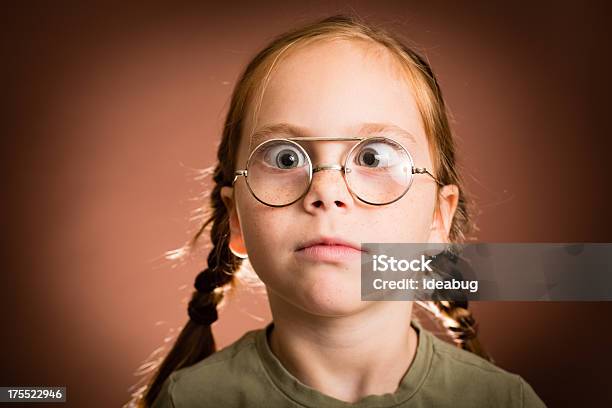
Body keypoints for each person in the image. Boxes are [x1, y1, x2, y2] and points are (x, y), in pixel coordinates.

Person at [133, 14, 547, 408]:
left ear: (438, 219)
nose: (327, 192)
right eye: (284, 158)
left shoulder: (504, 400)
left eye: (373, 157)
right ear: (235, 217)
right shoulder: (190, 400)